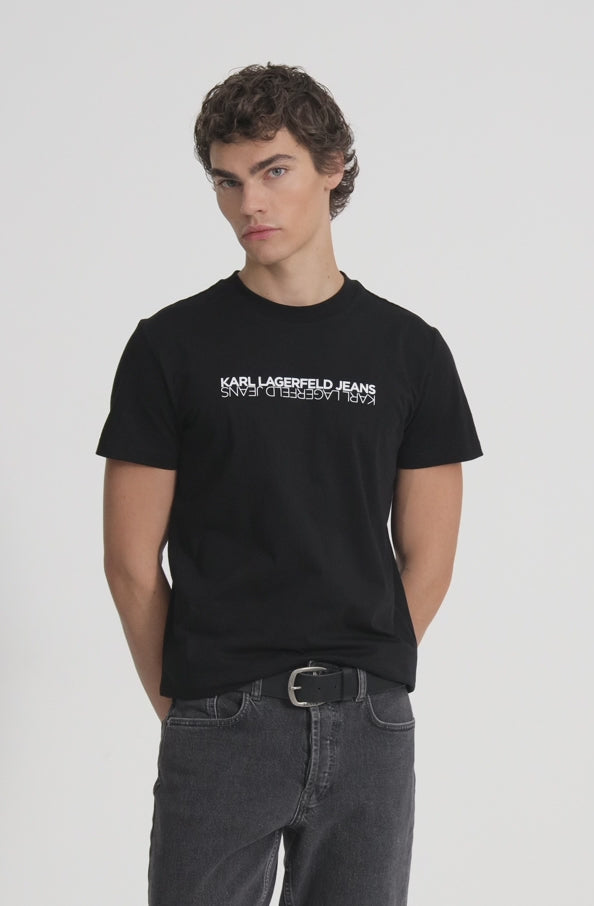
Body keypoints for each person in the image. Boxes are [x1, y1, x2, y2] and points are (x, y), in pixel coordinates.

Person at [96, 62, 483, 906]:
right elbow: (129, 562)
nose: (250, 204)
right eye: (227, 181)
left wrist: (366, 676)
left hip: (372, 729)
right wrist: (190, 708)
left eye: (273, 171)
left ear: (332, 166)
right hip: (220, 719)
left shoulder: (411, 351)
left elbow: (430, 556)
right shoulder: (171, 347)